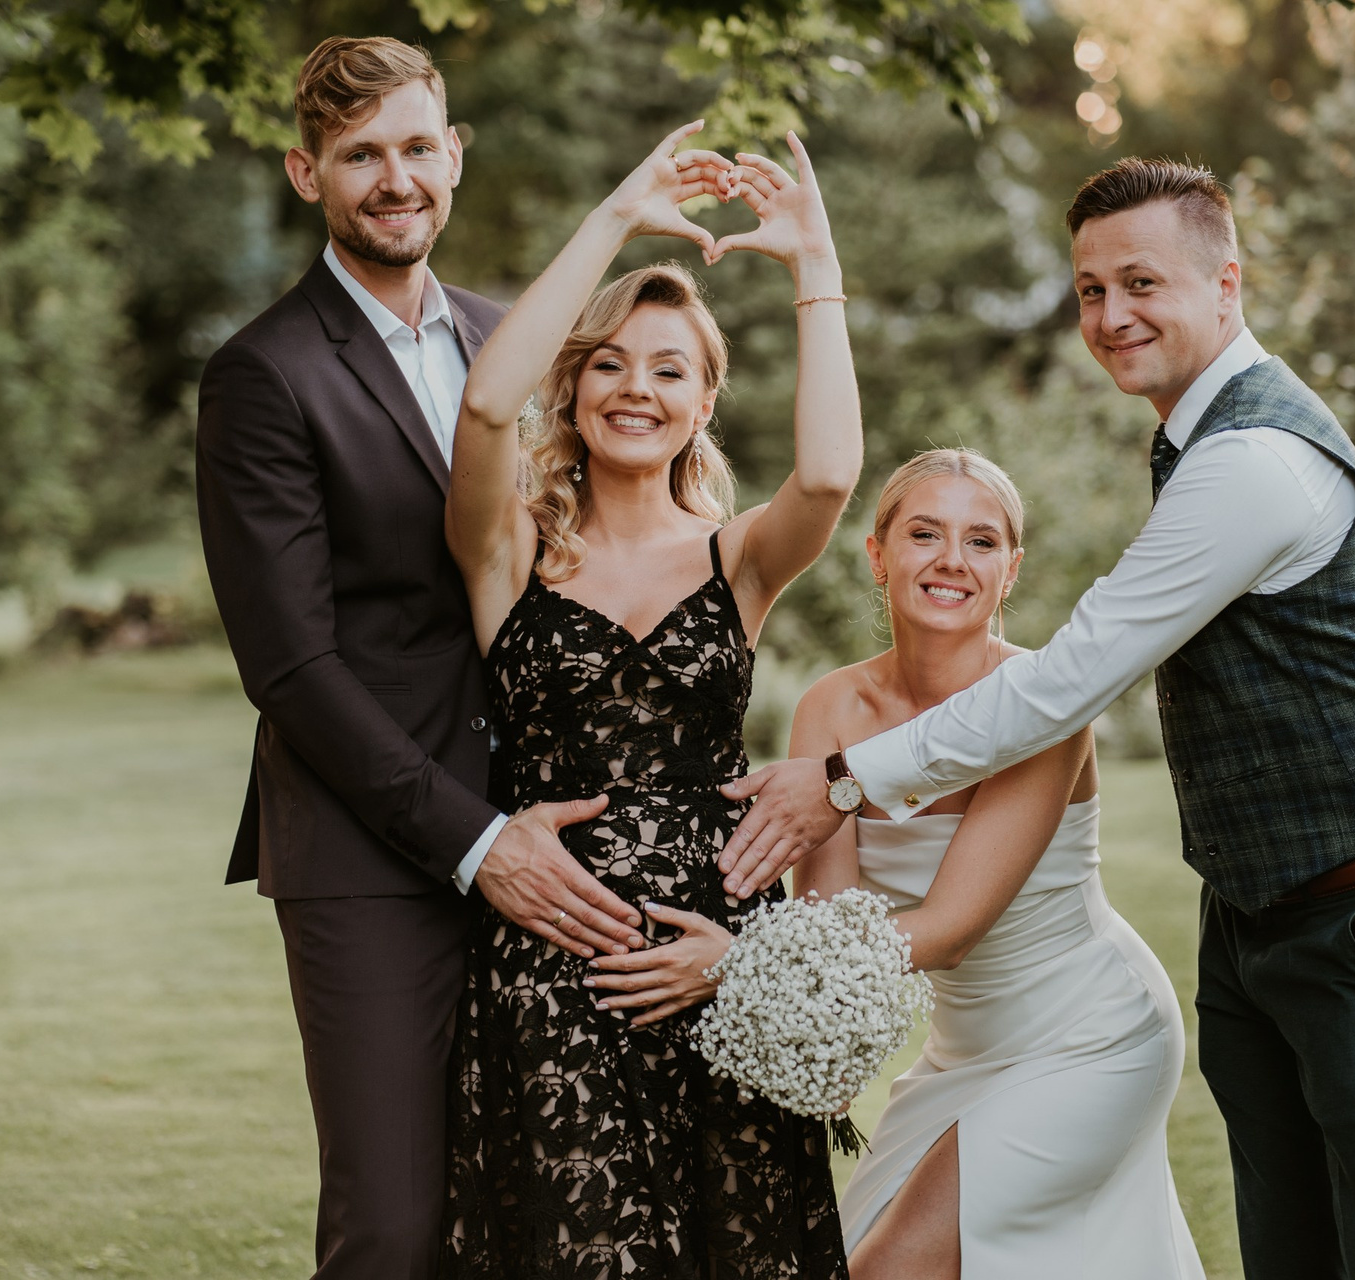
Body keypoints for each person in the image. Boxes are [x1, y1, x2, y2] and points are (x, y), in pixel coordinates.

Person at [719, 158, 1355, 1280]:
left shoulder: (1255, 458)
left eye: (1141, 282)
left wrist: (844, 780)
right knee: (1291, 1251)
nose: (1111, 314)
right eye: (1091, 290)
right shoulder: (1194, 441)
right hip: (1256, 913)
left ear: (1225, 283)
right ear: (879, 555)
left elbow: (1067, 681)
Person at [195, 37, 642, 1279]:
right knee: (392, 1225)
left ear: (454, 155)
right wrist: (478, 840)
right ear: (307, 174)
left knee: (538, 1204)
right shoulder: (263, 375)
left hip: (557, 831)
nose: (394, 180)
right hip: (370, 855)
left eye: (414, 148)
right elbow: (291, 667)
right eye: (359, 156)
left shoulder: (517, 342)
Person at [441, 122, 861, 1278]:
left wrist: (815, 267)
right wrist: (619, 215)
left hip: (720, 967)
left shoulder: (740, 559)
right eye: (610, 363)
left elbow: (829, 473)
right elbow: (483, 409)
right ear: (572, 385)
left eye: (670, 368)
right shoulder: (509, 549)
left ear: (705, 401)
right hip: (552, 966)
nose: (637, 387)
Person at [789, 449, 1205, 1280]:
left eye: (980, 542)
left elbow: (948, 931)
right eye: (924, 534)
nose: (952, 559)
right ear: (877, 555)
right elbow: (829, 926)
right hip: (961, 1054)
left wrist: (739, 965)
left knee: (886, 1272)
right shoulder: (831, 707)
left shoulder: (1046, 704)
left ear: (1010, 570)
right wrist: (820, 1045)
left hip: (1090, 1034)